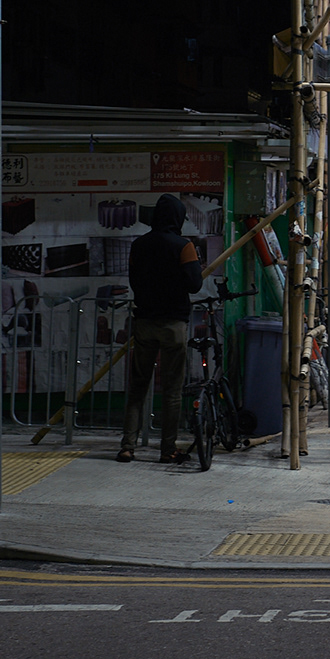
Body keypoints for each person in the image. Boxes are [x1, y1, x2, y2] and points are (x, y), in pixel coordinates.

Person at [118, 194, 203, 464]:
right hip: (173, 325)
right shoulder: (184, 246)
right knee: (172, 391)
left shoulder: (139, 245)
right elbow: (195, 285)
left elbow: (134, 282)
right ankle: (167, 449)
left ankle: (127, 446)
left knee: (138, 388)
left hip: (144, 323)